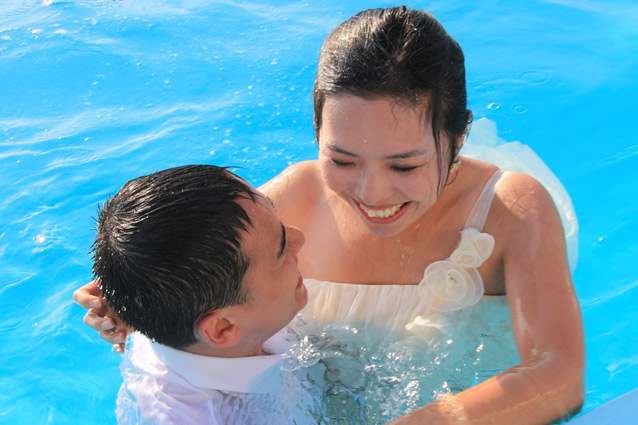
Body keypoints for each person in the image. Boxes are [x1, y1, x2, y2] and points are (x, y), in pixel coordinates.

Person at [75, 6, 585, 425]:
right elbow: (188, 258)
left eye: (404, 165)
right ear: (317, 129)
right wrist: (132, 310)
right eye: (341, 159)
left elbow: (558, 375)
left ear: (456, 139)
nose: (370, 193)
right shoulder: (296, 196)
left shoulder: (509, 211)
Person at [89, 164, 307, 424]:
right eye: (281, 250)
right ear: (223, 328)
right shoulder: (184, 415)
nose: (300, 237)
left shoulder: (234, 307)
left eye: (279, 222)